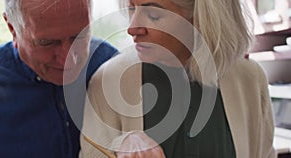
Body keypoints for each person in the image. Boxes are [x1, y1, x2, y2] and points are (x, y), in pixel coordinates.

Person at [80, 0, 276, 157]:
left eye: (154, 15)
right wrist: (120, 146)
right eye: (132, 8)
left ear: (200, 17)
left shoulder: (250, 78)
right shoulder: (108, 81)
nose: (132, 28)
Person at [0, 0, 118, 157]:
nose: (68, 59)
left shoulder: (112, 66)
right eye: (47, 42)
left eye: (79, 36)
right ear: (13, 29)